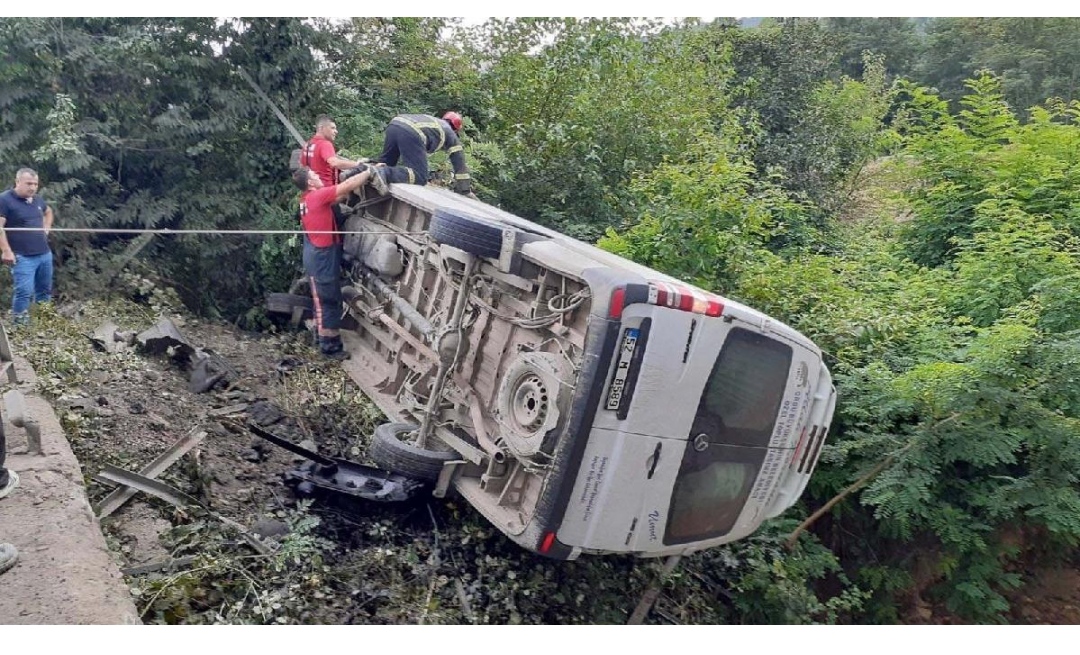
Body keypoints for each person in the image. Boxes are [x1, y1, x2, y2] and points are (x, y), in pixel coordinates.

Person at [290, 164, 374, 360]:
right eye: (315, 174)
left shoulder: (308, 200)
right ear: (310, 182)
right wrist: (370, 171)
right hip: (322, 257)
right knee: (328, 300)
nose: (318, 176)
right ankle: (330, 347)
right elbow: (347, 186)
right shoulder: (317, 196)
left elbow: (339, 196)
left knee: (323, 300)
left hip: (317, 255)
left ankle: (323, 339)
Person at [367, 111, 473, 197]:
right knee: (420, 176)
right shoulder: (450, 133)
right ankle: (383, 172)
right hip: (411, 132)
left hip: (396, 123)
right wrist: (464, 191)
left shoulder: (434, 122)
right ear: (456, 130)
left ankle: (365, 168)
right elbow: (460, 163)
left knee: (386, 162)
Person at [0, 168, 55, 326]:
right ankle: (20, 328)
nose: (32, 187)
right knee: (24, 292)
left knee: (44, 291)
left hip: (44, 254)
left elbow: (48, 212)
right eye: (28, 183)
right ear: (17, 182)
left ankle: (44, 323)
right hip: (22, 257)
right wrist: (6, 251)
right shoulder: (4, 200)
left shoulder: (37, 199)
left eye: (35, 184)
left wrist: (46, 228)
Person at [301, 115, 362, 187]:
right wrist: (359, 165)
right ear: (321, 128)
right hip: (325, 189)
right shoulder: (325, 144)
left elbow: (302, 167)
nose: (336, 131)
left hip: (312, 189)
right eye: (332, 128)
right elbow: (334, 163)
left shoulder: (307, 145)